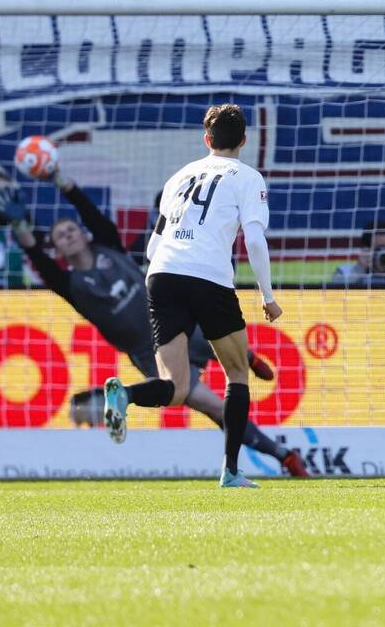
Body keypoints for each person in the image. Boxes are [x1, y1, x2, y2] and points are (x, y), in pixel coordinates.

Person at [0, 163, 306, 478]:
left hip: (176, 321)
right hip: (149, 351)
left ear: (83, 235)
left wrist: (60, 180)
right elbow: (36, 256)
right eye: (60, 236)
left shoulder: (109, 246)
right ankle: (284, 456)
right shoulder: (69, 284)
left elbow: (89, 211)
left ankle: (248, 358)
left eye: (71, 230)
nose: (68, 235)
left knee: (222, 338)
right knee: (213, 407)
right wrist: (19, 224)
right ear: (57, 248)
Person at [103, 103, 282, 488]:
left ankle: (126, 396)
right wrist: (267, 296)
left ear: (207, 140)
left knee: (177, 387)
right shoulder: (247, 177)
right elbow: (253, 239)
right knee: (236, 373)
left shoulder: (179, 176)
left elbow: (154, 246)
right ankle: (231, 471)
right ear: (244, 141)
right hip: (208, 277)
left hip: (163, 275)